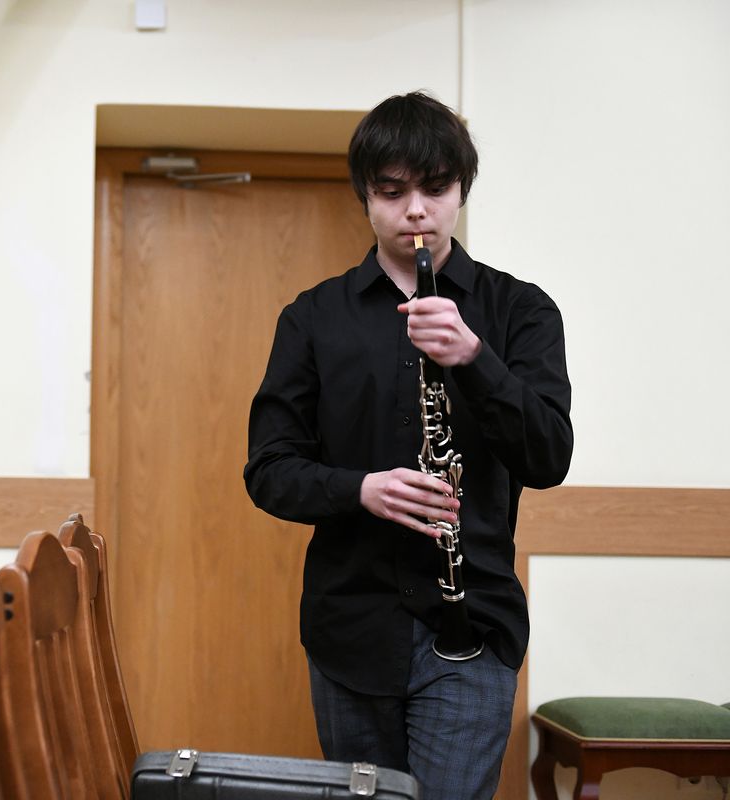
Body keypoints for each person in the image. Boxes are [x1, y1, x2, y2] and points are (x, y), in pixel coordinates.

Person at [243, 92, 572, 799]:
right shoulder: (312, 319)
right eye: (392, 193)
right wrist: (361, 489)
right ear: (366, 197)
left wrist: (475, 359)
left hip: (474, 623)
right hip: (351, 629)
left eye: (435, 189)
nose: (415, 211)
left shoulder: (520, 311)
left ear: (461, 191)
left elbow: (550, 458)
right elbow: (269, 471)